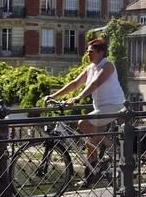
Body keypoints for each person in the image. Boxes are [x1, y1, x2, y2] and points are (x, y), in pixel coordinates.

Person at [45, 38, 125, 181]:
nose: (88, 55)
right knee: (91, 142)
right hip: (100, 108)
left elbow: (96, 83)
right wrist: (54, 95)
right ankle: (91, 177)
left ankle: (116, 151)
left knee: (83, 123)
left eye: (91, 52)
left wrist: (78, 98)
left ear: (100, 53)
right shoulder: (90, 68)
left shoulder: (107, 66)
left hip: (114, 105)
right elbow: (75, 83)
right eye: (87, 52)